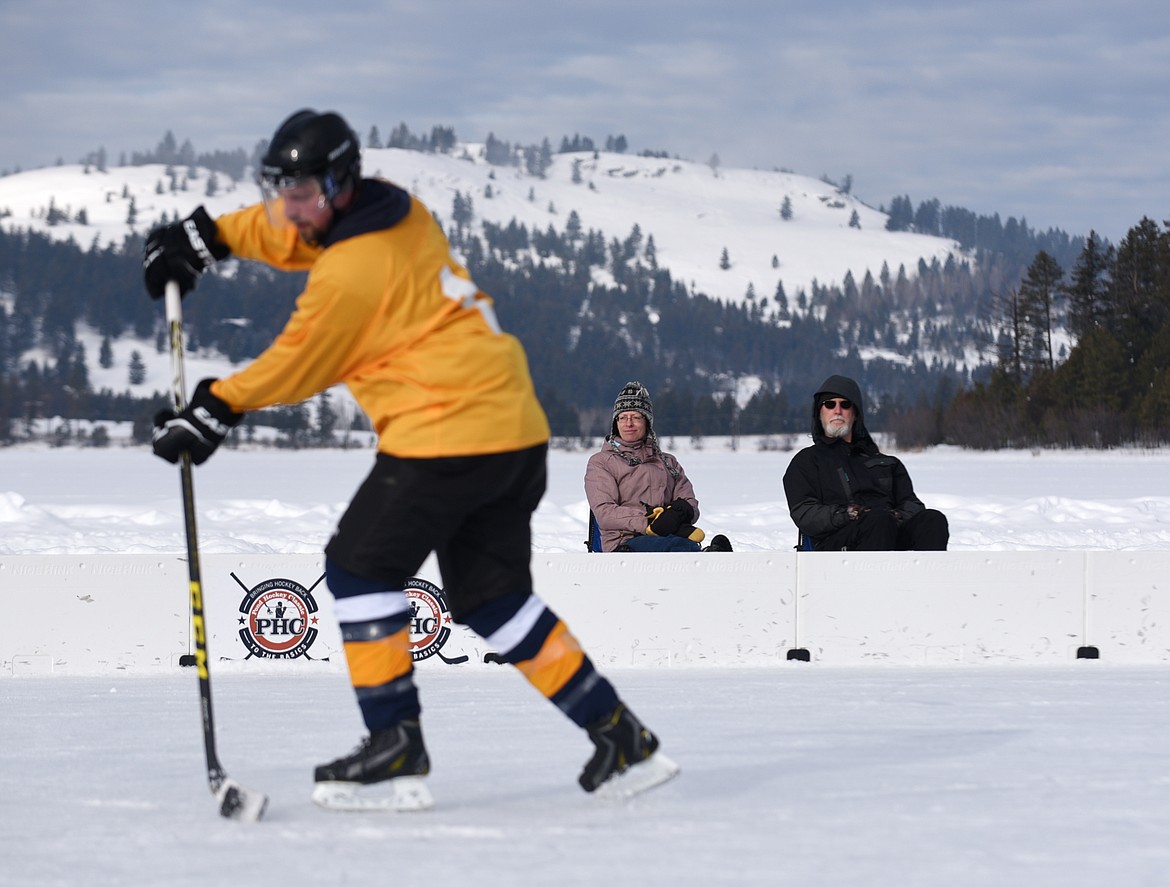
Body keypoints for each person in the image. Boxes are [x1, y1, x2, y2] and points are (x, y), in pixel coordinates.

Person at [142, 109, 678, 808]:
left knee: (358, 566)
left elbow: (302, 360)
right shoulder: (394, 212)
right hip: (512, 432)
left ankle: (395, 745)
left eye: (302, 191)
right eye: (281, 190)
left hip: (446, 434)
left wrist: (214, 405)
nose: (289, 207)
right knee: (495, 598)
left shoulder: (355, 271)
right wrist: (210, 236)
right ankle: (621, 735)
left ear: (338, 184)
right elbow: (291, 230)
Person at [783, 374, 949, 551]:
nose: (837, 410)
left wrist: (897, 516)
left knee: (932, 520)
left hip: (887, 531)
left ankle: (926, 577)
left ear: (855, 414)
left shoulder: (887, 463)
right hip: (833, 546)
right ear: (820, 414)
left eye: (845, 404)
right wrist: (849, 514)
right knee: (877, 521)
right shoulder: (806, 461)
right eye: (830, 404)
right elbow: (805, 513)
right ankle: (875, 577)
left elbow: (912, 505)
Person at [584, 381, 732, 552]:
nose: (628, 423)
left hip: (670, 537)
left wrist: (681, 512)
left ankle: (715, 563)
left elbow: (690, 502)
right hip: (624, 543)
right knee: (676, 548)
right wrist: (649, 523)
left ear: (647, 422)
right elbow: (605, 513)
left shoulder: (668, 463)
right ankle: (708, 562)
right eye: (623, 417)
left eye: (636, 417)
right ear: (615, 423)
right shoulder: (601, 462)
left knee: (680, 545)